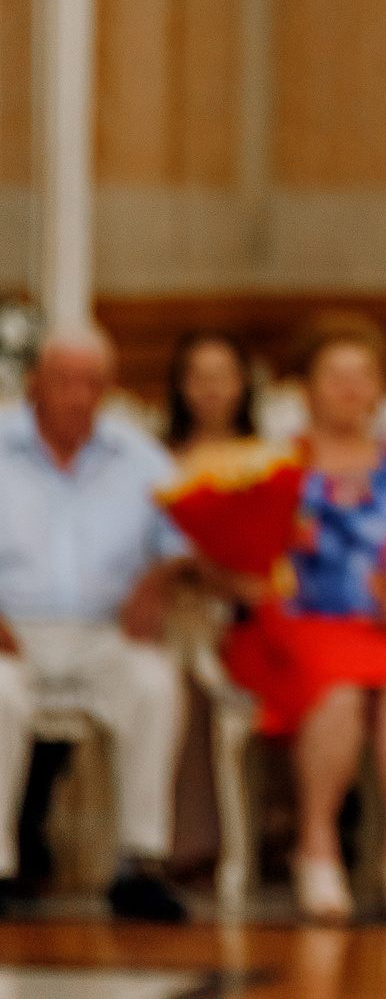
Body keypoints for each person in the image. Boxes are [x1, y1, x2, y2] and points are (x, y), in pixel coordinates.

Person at [220, 315, 386, 923]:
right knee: (340, 692)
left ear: (382, 387)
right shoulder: (277, 464)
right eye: (336, 376)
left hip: (377, 629)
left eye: (364, 376)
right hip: (292, 626)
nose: (351, 389)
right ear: (305, 385)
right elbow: (227, 556)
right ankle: (317, 848)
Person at [0, 330, 196, 921]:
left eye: (93, 383)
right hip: (11, 631)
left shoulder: (137, 456)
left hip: (105, 630)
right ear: (35, 383)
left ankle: (139, 862)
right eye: (65, 380)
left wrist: (155, 584)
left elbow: (183, 540)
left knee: (154, 686)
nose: (79, 396)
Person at [164, 330, 259, 457]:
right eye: (200, 378)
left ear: (244, 381)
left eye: (223, 376)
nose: (211, 389)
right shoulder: (161, 458)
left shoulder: (269, 457)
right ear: (179, 384)